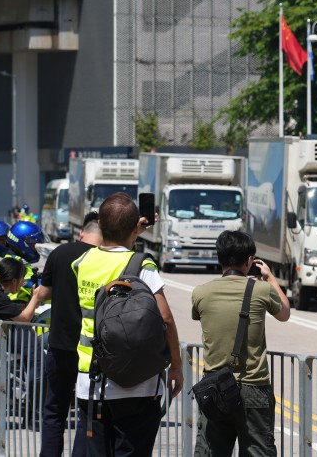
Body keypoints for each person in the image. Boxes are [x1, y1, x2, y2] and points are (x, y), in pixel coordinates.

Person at [71, 192, 183, 457]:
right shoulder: (142, 264)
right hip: (138, 382)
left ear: (99, 225)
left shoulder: (82, 263)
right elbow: (165, 317)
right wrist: (176, 365)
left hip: (92, 380)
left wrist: (131, 230)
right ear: (136, 227)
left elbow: (112, 252)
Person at [191, 230, 290, 457]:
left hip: (215, 386)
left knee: (210, 451)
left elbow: (198, 316)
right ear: (250, 261)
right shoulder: (262, 290)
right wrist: (270, 278)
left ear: (219, 258)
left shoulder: (200, 293)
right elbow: (284, 313)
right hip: (253, 387)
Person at [26, 210, 103, 457]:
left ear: (82, 232)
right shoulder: (104, 258)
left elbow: (44, 293)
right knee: (85, 413)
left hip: (60, 345)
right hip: (90, 350)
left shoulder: (60, 253)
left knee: (54, 411)